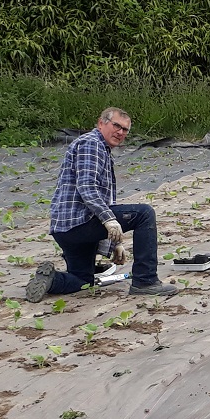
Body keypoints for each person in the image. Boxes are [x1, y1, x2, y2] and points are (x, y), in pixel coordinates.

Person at [25, 107, 177, 302]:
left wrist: (115, 243)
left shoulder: (99, 148)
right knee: (144, 213)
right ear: (101, 123)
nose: (120, 132)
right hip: (79, 223)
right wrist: (110, 221)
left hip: (64, 230)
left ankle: (52, 280)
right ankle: (145, 281)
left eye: (125, 130)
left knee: (82, 280)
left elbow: (99, 200)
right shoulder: (91, 143)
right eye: (116, 126)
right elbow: (87, 187)